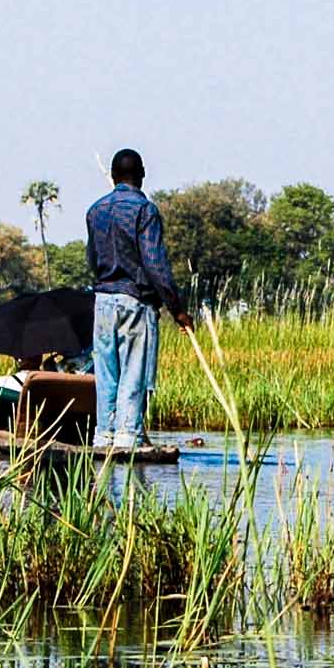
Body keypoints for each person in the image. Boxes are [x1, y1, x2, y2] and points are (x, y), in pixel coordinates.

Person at [85, 149, 193, 449]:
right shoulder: (145, 210)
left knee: (106, 373)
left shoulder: (95, 211)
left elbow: (93, 259)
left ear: (113, 175)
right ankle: (127, 437)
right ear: (142, 174)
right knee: (134, 372)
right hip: (136, 302)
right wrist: (178, 309)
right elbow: (155, 264)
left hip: (104, 301)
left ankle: (104, 435)